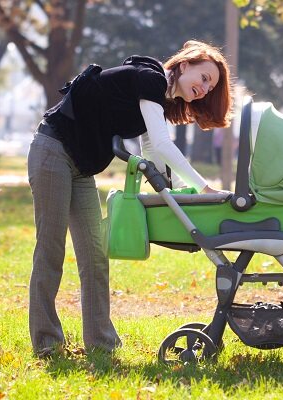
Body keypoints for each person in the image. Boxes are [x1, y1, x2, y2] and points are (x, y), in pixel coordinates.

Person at [27, 40, 233, 358]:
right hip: (53, 151)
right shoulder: (150, 79)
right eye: (204, 77)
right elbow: (163, 146)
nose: (205, 89)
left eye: (211, 86)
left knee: (95, 256)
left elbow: (152, 150)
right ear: (186, 64)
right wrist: (206, 189)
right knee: (51, 249)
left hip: (82, 168)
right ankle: (47, 342)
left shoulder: (155, 98)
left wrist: (183, 195)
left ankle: (101, 342)